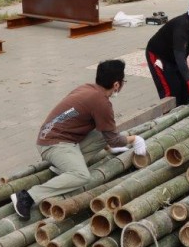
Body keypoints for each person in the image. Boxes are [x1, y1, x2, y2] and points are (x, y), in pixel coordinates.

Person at [11, 59, 145, 219]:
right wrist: (136, 139)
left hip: (52, 136)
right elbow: (115, 139)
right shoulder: (102, 103)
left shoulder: (87, 89)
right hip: (53, 144)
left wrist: (111, 147)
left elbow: (108, 135)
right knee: (82, 176)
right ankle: (27, 197)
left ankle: (63, 168)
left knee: (105, 133)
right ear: (116, 84)